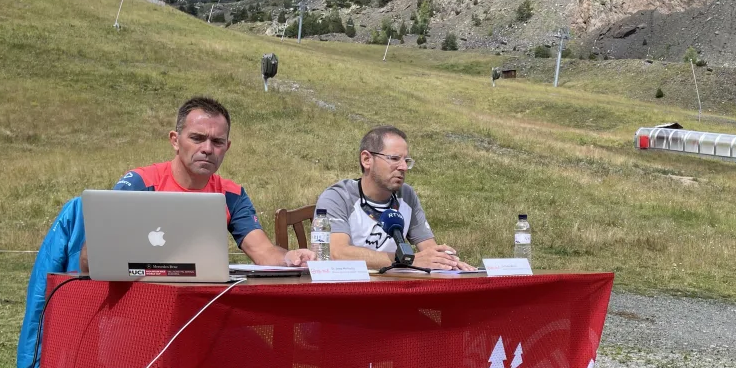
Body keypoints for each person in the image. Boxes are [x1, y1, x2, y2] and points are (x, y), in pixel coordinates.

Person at [81, 97, 315, 270]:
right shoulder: (139, 183)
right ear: (175, 141)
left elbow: (263, 251)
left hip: (200, 306)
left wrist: (290, 257)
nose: (207, 148)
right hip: (138, 302)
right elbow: (89, 261)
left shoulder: (232, 194)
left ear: (227, 147)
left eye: (217, 141)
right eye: (197, 138)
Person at [316, 126, 475, 271]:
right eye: (394, 158)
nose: (403, 167)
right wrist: (407, 261)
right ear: (366, 159)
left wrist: (448, 261)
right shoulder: (338, 197)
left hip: (395, 288)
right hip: (349, 292)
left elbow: (428, 249)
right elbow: (337, 253)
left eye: (406, 161)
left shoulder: (406, 195)